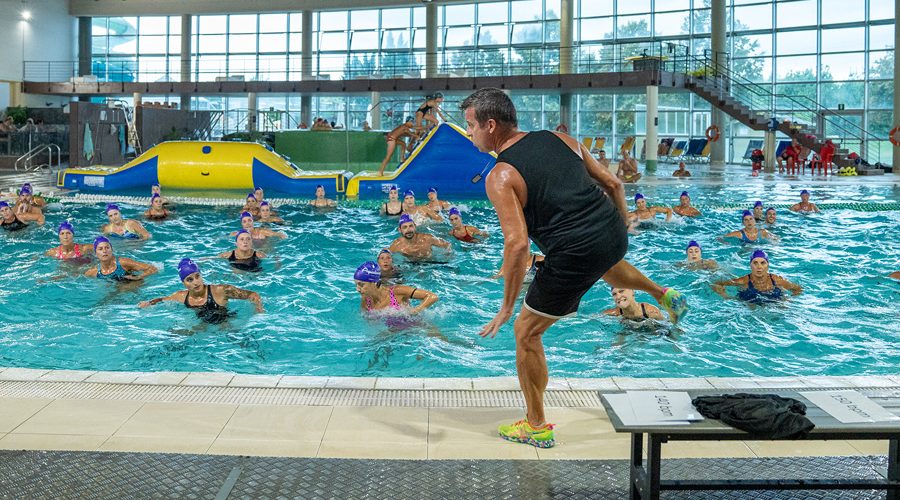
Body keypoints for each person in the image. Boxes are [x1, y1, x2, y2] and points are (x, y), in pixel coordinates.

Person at [460, 87, 686, 449]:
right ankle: (664, 293)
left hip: (572, 253)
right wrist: (621, 223)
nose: (468, 132)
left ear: (490, 125)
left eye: (470, 125)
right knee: (603, 263)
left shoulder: (500, 176)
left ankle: (536, 426)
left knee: (525, 332)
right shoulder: (560, 137)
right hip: (611, 232)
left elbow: (517, 245)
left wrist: (506, 306)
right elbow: (612, 183)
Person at [139, 258, 263, 322]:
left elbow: (252, 294)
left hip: (225, 323)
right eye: (190, 279)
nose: (196, 282)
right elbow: (162, 299)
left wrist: (258, 311)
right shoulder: (181, 296)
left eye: (197, 276)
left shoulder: (221, 290)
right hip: (202, 325)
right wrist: (148, 303)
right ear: (184, 283)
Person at [712, 249, 801, 304]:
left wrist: (789, 300)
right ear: (750, 265)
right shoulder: (744, 281)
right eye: (755, 263)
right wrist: (727, 297)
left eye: (763, 263)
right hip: (751, 309)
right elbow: (717, 284)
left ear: (768, 265)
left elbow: (798, 289)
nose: (759, 267)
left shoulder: (777, 280)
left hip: (775, 307)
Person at [353, 261, 438, 314]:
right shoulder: (367, 300)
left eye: (361, 285)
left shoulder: (396, 291)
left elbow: (432, 296)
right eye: (356, 284)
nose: (357, 289)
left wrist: (415, 311)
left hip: (415, 326)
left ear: (374, 282)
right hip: (393, 332)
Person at [84, 236, 157, 281]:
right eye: (100, 249)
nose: (104, 251)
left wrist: (139, 277)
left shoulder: (123, 263)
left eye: (107, 248)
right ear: (96, 253)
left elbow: (153, 268)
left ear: (112, 250)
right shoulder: (93, 272)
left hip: (134, 286)